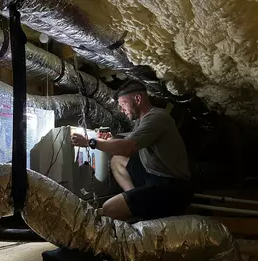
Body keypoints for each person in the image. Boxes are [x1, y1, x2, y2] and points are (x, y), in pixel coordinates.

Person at [71, 80, 191, 221]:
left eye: (123, 104)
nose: (122, 110)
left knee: (109, 209)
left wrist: (91, 142)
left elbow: (128, 148)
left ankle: (143, 217)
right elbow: (129, 144)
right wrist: (110, 141)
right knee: (117, 160)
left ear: (138, 99)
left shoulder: (157, 117)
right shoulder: (141, 120)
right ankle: (137, 201)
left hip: (171, 188)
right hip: (152, 175)